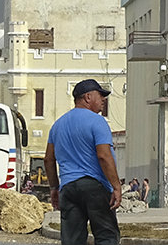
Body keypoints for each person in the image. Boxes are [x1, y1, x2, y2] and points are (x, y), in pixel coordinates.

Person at [47, 79, 122, 245]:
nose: (104, 99)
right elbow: (104, 156)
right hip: (95, 186)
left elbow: (48, 159)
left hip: (68, 189)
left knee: (72, 239)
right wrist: (116, 186)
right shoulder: (98, 121)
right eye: (100, 95)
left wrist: (54, 188)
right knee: (106, 236)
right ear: (88, 97)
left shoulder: (58, 125)